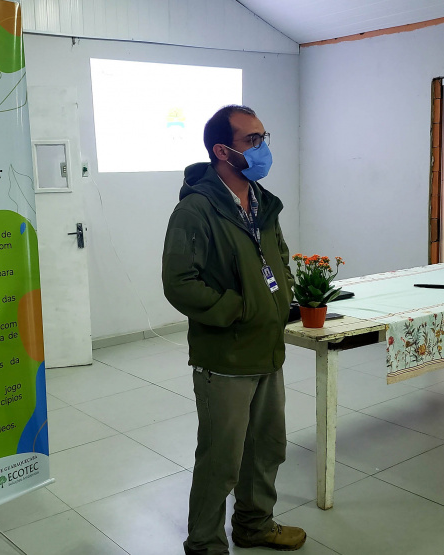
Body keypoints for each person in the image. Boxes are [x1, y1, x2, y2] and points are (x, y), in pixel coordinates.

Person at [162, 105, 306, 554]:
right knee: (221, 460)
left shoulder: (263, 203)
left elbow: (276, 260)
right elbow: (179, 283)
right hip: (224, 357)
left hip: (267, 350)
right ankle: (204, 543)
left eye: (265, 137)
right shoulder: (196, 210)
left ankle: (253, 524)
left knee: (266, 449)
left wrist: (285, 301)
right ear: (222, 151)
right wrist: (238, 310)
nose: (263, 148)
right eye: (252, 140)